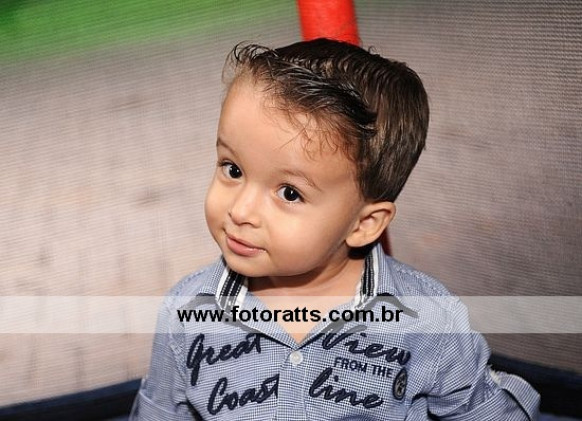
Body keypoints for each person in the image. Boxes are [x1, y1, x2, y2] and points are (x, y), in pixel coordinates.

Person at [130, 38, 540, 420]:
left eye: (289, 193)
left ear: (364, 224)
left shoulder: (428, 319)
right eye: (232, 169)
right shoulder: (187, 311)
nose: (240, 210)